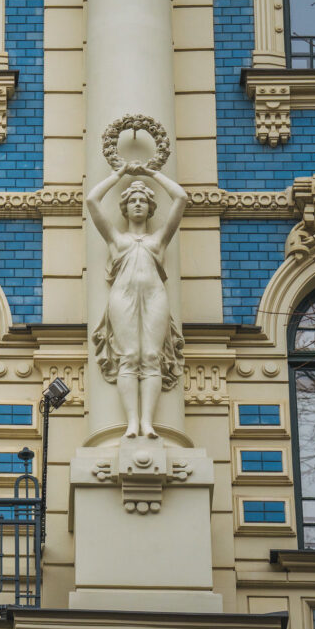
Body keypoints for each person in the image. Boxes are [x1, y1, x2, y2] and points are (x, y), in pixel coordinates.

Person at [86, 162, 187, 439]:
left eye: (143, 200)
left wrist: (152, 173)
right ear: (125, 207)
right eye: (133, 200)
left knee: (152, 357)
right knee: (129, 357)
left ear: (150, 207)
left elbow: (181, 198)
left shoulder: (158, 241)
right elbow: (92, 200)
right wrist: (118, 174)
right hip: (123, 298)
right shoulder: (117, 240)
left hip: (155, 297)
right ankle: (132, 423)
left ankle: (148, 423)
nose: (139, 204)